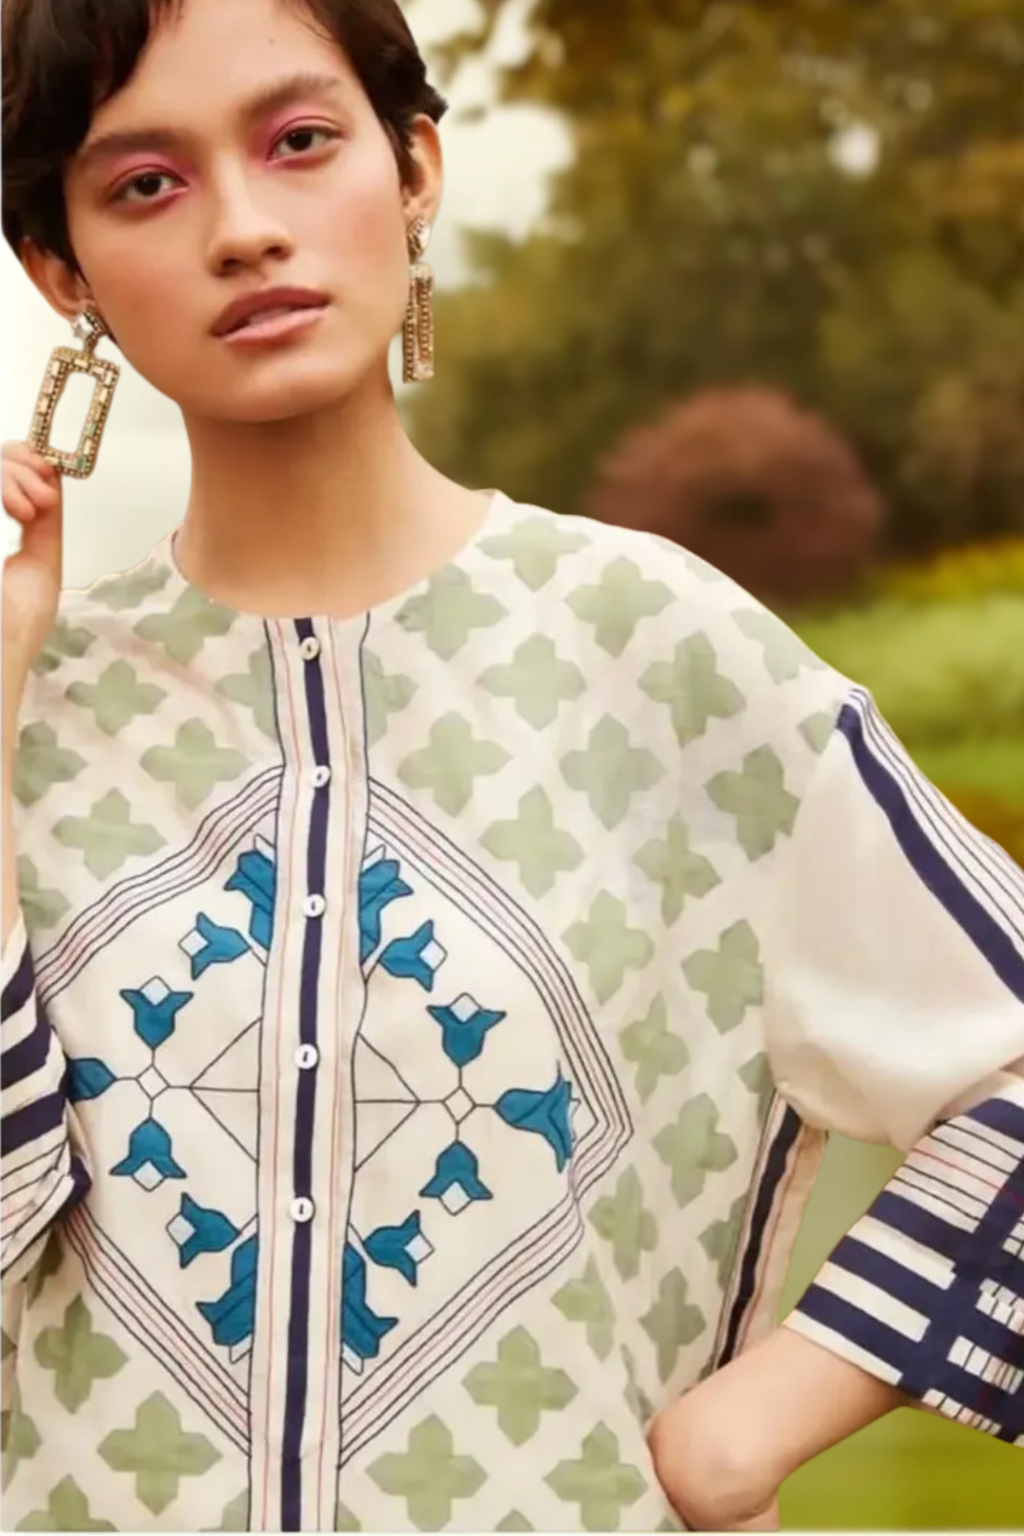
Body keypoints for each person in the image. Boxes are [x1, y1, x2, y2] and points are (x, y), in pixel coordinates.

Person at [1, 0, 1021, 1529]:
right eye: (148, 182)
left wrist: (764, 1417)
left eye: (299, 142)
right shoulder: (39, 709)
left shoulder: (665, 658)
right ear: (61, 271)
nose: (244, 229)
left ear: (414, 167)